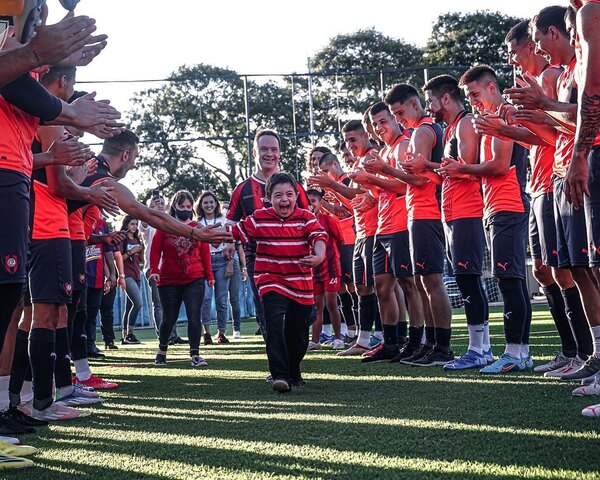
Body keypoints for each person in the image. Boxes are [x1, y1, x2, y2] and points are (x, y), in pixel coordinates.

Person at [438, 65, 532, 374]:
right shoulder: (491, 118)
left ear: (492, 88)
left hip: (509, 205)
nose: (473, 102)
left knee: (510, 280)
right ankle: (517, 353)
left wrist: (461, 170)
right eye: (469, 97)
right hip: (496, 207)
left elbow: (499, 166)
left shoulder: (503, 116)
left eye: (475, 95)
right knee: (509, 280)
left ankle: (516, 353)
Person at [228, 172, 327, 392]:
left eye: (289, 194)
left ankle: (293, 370)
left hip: (300, 283)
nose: (284, 200)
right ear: (268, 198)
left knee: (299, 333)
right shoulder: (259, 218)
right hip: (270, 280)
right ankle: (280, 375)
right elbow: (234, 231)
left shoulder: (305, 217)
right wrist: (197, 234)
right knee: (274, 325)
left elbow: (319, 237)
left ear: (295, 196)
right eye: (278, 195)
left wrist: (318, 256)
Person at [420, 74, 492, 369]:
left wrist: (427, 165)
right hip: (452, 213)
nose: (429, 108)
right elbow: (452, 169)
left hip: (468, 211)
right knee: (464, 279)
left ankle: (480, 349)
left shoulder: (465, 123)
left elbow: (467, 167)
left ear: (445, 98)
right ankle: (479, 347)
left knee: (469, 278)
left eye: (430, 102)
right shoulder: (451, 127)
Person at [382, 84, 454, 366]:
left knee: (431, 281)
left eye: (399, 112)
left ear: (414, 104)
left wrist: (386, 170)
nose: (398, 119)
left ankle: (441, 346)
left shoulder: (423, 131)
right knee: (425, 282)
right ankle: (432, 343)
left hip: (427, 212)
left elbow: (420, 179)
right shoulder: (422, 130)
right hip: (421, 212)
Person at [226, 129, 309, 339]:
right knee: (268, 312)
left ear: (280, 153)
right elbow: (231, 224)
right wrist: (227, 243)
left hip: (294, 260)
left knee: (296, 313)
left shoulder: (294, 186)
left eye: (273, 149)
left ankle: (291, 359)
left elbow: (310, 220)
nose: (269, 154)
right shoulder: (242, 189)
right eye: (264, 149)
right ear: (255, 152)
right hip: (258, 261)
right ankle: (278, 364)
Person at [310, 120, 381, 356]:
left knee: (385, 287)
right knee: (359, 288)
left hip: (366, 233)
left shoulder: (369, 161)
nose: (350, 148)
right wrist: (326, 201)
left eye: (352, 140)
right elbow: (348, 208)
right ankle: (364, 336)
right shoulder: (359, 165)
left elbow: (357, 200)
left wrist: (331, 187)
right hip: (359, 234)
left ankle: (385, 336)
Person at [150, 190, 214, 367]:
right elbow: (155, 251)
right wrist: (154, 270)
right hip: (169, 280)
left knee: (195, 316)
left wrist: (209, 275)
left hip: (195, 278)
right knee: (169, 318)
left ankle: (195, 355)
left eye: (188, 206)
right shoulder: (165, 226)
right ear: (174, 207)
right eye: (181, 206)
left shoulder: (198, 227)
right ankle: (162, 350)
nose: (185, 209)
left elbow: (205, 253)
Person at [139, 194, 183, 345]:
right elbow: (143, 225)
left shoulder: (171, 220)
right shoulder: (148, 221)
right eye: (156, 202)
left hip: (170, 266)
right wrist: (150, 208)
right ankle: (164, 335)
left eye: (162, 202)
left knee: (173, 302)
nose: (160, 204)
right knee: (158, 303)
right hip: (153, 267)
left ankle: (174, 334)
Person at [306, 189, 344, 351]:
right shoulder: (303, 223)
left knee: (331, 303)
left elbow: (340, 241)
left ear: (321, 203)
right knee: (316, 305)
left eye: (313, 201)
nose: (310, 205)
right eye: (307, 202)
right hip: (314, 270)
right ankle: (315, 341)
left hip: (330, 267)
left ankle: (338, 338)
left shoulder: (329, 220)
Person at [197, 191, 231, 344]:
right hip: (205, 261)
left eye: (211, 202)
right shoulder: (198, 222)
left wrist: (231, 262)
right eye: (205, 203)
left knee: (222, 299)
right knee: (205, 298)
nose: (209, 205)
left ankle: (221, 333)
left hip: (223, 259)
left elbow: (232, 239)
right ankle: (206, 332)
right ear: (201, 205)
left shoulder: (223, 219)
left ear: (216, 204)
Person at [119, 215, 144, 345]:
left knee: (129, 306)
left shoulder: (137, 239)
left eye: (136, 224)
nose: (134, 226)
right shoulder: (122, 239)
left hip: (136, 274)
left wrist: (141, 251)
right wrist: (132, 251)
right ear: (126, 225)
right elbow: (118, 258)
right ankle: (130, 334)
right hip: (126, 274)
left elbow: (140, 261)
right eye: (132, 224)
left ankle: (124, 336)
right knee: (138, 303)